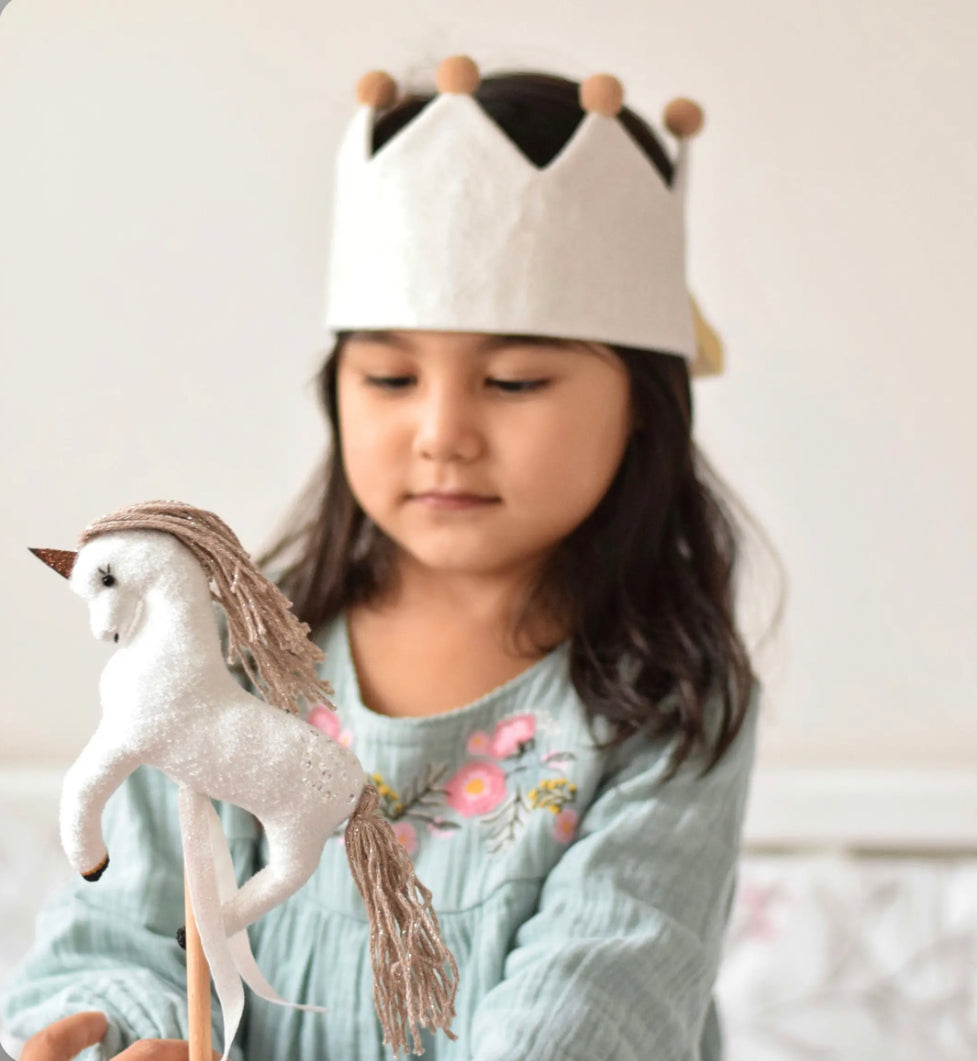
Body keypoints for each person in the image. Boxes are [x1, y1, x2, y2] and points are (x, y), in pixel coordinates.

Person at [1, 55, 786, 1061]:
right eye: (387, 375)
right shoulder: (223, 656)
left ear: (644, 406)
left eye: (512, 380)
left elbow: (595, 1001)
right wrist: (126, 1034)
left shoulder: (668, 698)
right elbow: (118, 930)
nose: (440, 430)